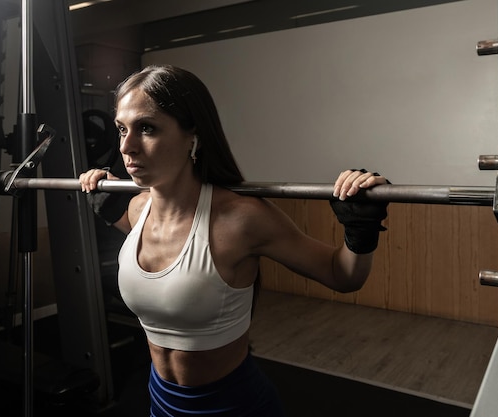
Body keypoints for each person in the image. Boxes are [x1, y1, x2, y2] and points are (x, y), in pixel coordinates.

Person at [79, 64, 389, 417]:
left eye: (146, 128)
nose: (126, 146)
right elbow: (159, 255)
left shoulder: (242, 219)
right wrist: (103, 196)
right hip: (161, 401)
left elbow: (342, 275)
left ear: (191, 135)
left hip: (233, 407)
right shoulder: (135, 210)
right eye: (122, 129)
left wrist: (360, 231)